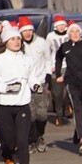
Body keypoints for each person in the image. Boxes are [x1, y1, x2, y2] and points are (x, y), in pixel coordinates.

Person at [0, 21, 34, 164]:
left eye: (18, 38)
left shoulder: (27, 59)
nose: (16, 41)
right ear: (6, 41)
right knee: (8, 141)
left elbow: (33, 77)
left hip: (22, 105)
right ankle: (6, 154)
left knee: (22, 141)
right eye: (12, 39)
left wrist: (36, 85)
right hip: (3, 105)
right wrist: (6, 88)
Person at [55, 22, 82, 148]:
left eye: (77, 32)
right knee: (77, 107)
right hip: (72, 82)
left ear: (81, 33)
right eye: (72, 32)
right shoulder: (65, 46)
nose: (75, 34)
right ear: (69, 34)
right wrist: (58, 75)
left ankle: (76, 135)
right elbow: (58, 58)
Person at [18, 16, 51, 153]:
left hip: (40, 83)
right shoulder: (18, 45)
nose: (28, 33)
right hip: (25, 86)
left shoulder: (42, 42)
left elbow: (48, 59)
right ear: (20, 32)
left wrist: (48, 75)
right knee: (30, 115)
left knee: (42, 115)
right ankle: (31, 140)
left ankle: (39, 135)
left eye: (30, 30)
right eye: (25, 31)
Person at [46, 14, 71, 126]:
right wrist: (49, 66)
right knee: (57, 94)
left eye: (63, 25)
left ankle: (67, 106)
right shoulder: (50, 36)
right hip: (55, 67)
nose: (61, 27)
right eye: (59, 25)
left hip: (69, 66)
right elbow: (47, 52)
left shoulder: (70, 34)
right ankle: (59, 115)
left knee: (68, 91)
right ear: (56, 26)